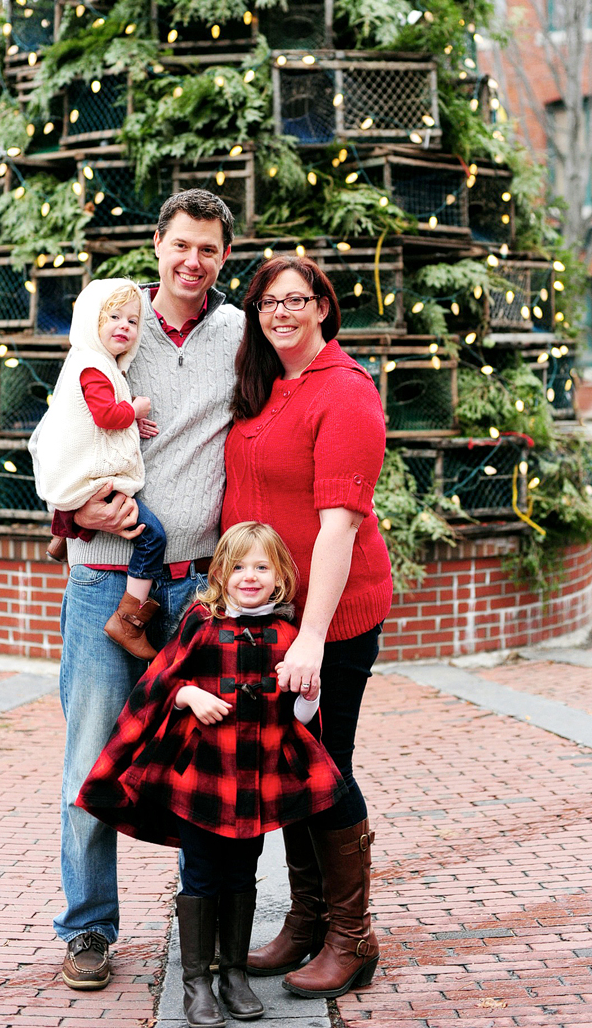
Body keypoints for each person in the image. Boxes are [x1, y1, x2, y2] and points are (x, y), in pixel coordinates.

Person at [29, 190, 244, 992]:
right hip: (100, 582)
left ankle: (201, 926)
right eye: (181, 245)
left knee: (199, 759)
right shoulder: (118, 319)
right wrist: (67, 506)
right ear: (157, 245)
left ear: (225, 256)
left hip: (195, 589)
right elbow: (52, 428)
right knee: (91, 758)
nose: (193, 262)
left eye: (210, 249)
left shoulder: (236, 332)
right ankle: (88, 928)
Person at [76, 522, 346, 1028]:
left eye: (262, 567)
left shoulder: (289, 637)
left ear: (280, 576)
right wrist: (188, 695)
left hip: (255, 782)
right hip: (200, 780)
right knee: (201, 873)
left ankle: (234, 975)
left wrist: (305, 692)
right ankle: (196, 982)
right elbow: (159, 683)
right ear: (220, 574)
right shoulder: (202, 623)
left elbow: (303, 722)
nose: (250, 577)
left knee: (242, 872)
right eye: (239, 567)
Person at [221, 255, 393, 998]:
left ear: (324, 305)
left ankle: (353, 936)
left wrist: (315, 636)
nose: (281, 313)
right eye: (268, 302)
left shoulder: (347, 393)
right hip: (268, 616)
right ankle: (308, 918)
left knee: (323, 765)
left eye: (297, 299)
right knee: (292, 762)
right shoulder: (266, 386)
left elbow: (338, 527)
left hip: (331, 616)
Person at [33, 278, 167, 660]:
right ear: (92, 320)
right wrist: (135, 410)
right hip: (94, 483)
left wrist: (130, 422)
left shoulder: (99, 365)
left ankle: (64, 535)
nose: (124, 326)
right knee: (153, 536)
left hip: (93, 483)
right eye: (113, 317)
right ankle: (128, 621)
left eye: (133, 321)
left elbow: (98, 418)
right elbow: (107, 415)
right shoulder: (93, 367)